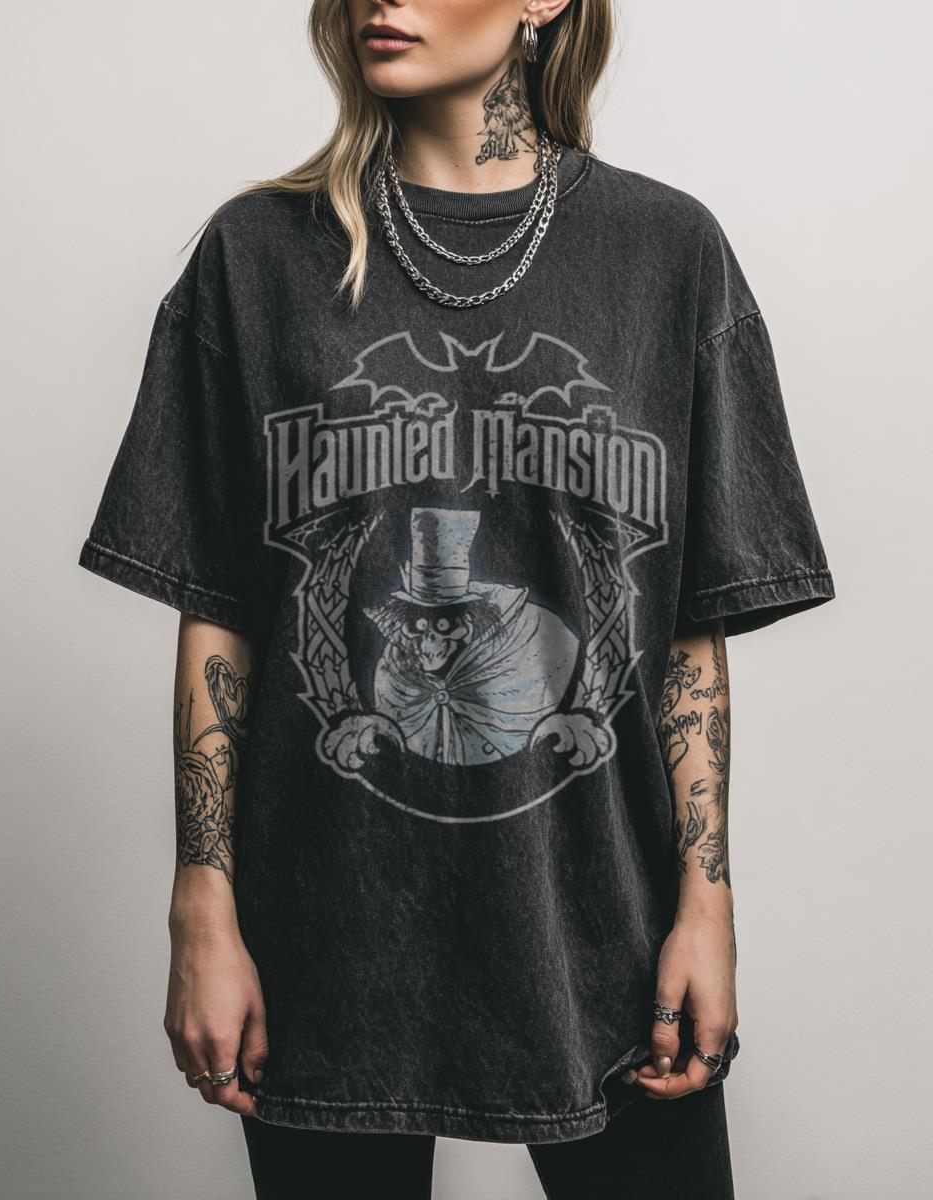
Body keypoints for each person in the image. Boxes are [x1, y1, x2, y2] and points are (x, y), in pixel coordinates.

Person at [76, 0, 837, 1196]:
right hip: (325, 933)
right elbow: (218, 610)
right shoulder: (257, 255)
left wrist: (708, 902)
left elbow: (686, 632)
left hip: (603, 927)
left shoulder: (666, 253)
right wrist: (202, 905)